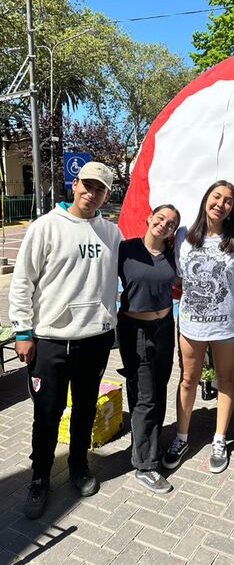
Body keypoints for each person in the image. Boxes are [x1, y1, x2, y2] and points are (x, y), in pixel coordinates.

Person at [9, 161, 121, 519]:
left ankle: (78, 466)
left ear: (106, 193)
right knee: (46, 413)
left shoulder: (111, 233)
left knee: (85, 409)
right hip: (51, 341)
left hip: (95, 339)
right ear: (74, 185)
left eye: (100, 188)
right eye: (87, 185)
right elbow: (22, 281)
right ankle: (39, 477)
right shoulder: (46, 227)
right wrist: (23, 332)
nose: (92, 193)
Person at [162, 180, 234, 474]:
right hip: (191, 324)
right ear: (205, 199)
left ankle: (219, 439)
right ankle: (181, 437)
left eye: (228, 201)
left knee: (226, 379)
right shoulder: (183, 236)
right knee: (187, 379)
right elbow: (175, 276)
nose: (221, 204)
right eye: (216, 197)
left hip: (228, 324)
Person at [118, 204, 181, 494]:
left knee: (159, 387)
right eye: (161, 218)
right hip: (136, 331)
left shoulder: (171, 255)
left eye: (171, 224)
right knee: (144, 397)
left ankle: (153, 442)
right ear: (149, 218)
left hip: (165, 327)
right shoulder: (126, 249)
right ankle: (145, 465)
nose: (164, 225)